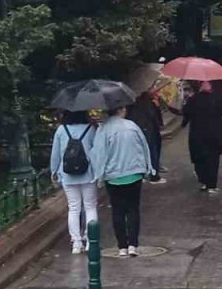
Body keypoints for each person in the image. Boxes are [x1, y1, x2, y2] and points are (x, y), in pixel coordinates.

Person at [90, 105, 154, 257]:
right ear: (121, 111)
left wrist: (99, 175)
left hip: (113, 176)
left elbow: (99, 154)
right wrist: (148, 168)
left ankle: (122, 247)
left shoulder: (104, 129)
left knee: (117, 210)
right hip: (134, 173)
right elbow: (144, 147)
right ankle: (133, 244)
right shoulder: (132, 126)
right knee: (133, 209)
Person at [49, 110, 99, 254]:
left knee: (73, 208)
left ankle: (76, 243)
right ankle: (91, 241)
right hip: (88, 173)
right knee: (90, 207)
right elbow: (96, 151)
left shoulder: (61, 130)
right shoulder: (90, 129)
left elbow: (55, 154)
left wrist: (54, 171)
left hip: (67, 174)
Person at [182, 80, 222, 194]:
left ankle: (203, 181)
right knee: (213, 159)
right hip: (213, 133)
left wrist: (183, 123)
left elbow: (186, 113)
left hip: (197, 133)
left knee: (199, 158)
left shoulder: (193, 99)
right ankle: (212, 184)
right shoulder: (215, 98)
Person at [128, 89, 164, 184]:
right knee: (152, 153)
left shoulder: (135, 105)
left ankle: (142, 174)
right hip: (149, 132)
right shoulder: (150, 105)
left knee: (140, 153)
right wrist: (157, 107)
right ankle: (154, 176)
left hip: (137, 131)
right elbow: (156, 119)